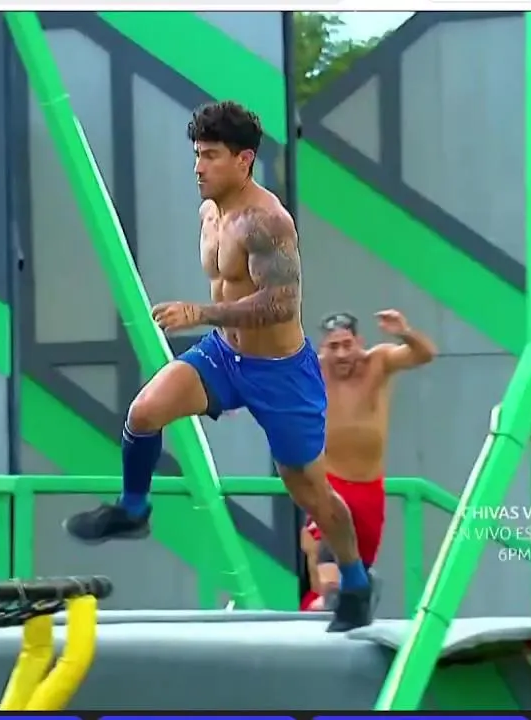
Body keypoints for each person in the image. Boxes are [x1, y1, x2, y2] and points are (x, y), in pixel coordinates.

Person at [61, 100, 375, 632]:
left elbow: (280, 303)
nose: (198, 167)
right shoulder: (210, 213)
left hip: (280, 371)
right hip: (224, 355)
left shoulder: (267, 222)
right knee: (145, 412)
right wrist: (210, 323)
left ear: (244, 160)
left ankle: (357, 583)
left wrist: (199, 312)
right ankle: (133, 509)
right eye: (197, 154)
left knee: (311, 492)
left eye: (210, 156)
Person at [300, 310, 437, 611]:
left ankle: (351, 598)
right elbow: (266, 376)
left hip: (369, 488)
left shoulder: (379, 361)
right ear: (323, 348)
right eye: (333, 347)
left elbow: (425, 354)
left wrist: (404, 332)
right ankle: (325, 599)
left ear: (359, 342)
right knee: (327, 563)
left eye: (347, 345)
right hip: (329, 482)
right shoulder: (311, 369)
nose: (341, 354)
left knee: (357, 573)